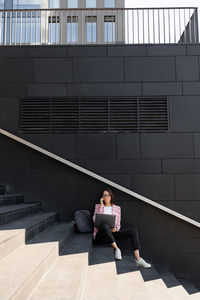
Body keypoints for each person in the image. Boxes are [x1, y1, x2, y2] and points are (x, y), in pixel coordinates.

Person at [92, 188, 151, 268]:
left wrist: (115, 228)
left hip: (112, 234)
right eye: (104, 195)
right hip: (101, 236)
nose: (105, 197)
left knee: (133, 231)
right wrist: (101, 207)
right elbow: (95, 221)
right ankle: (116, 248)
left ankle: (138, 259)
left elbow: (118, 224)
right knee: (104, 225)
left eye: (107, 195)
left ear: (111, 197)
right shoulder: (98, 206)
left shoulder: (117, 208)